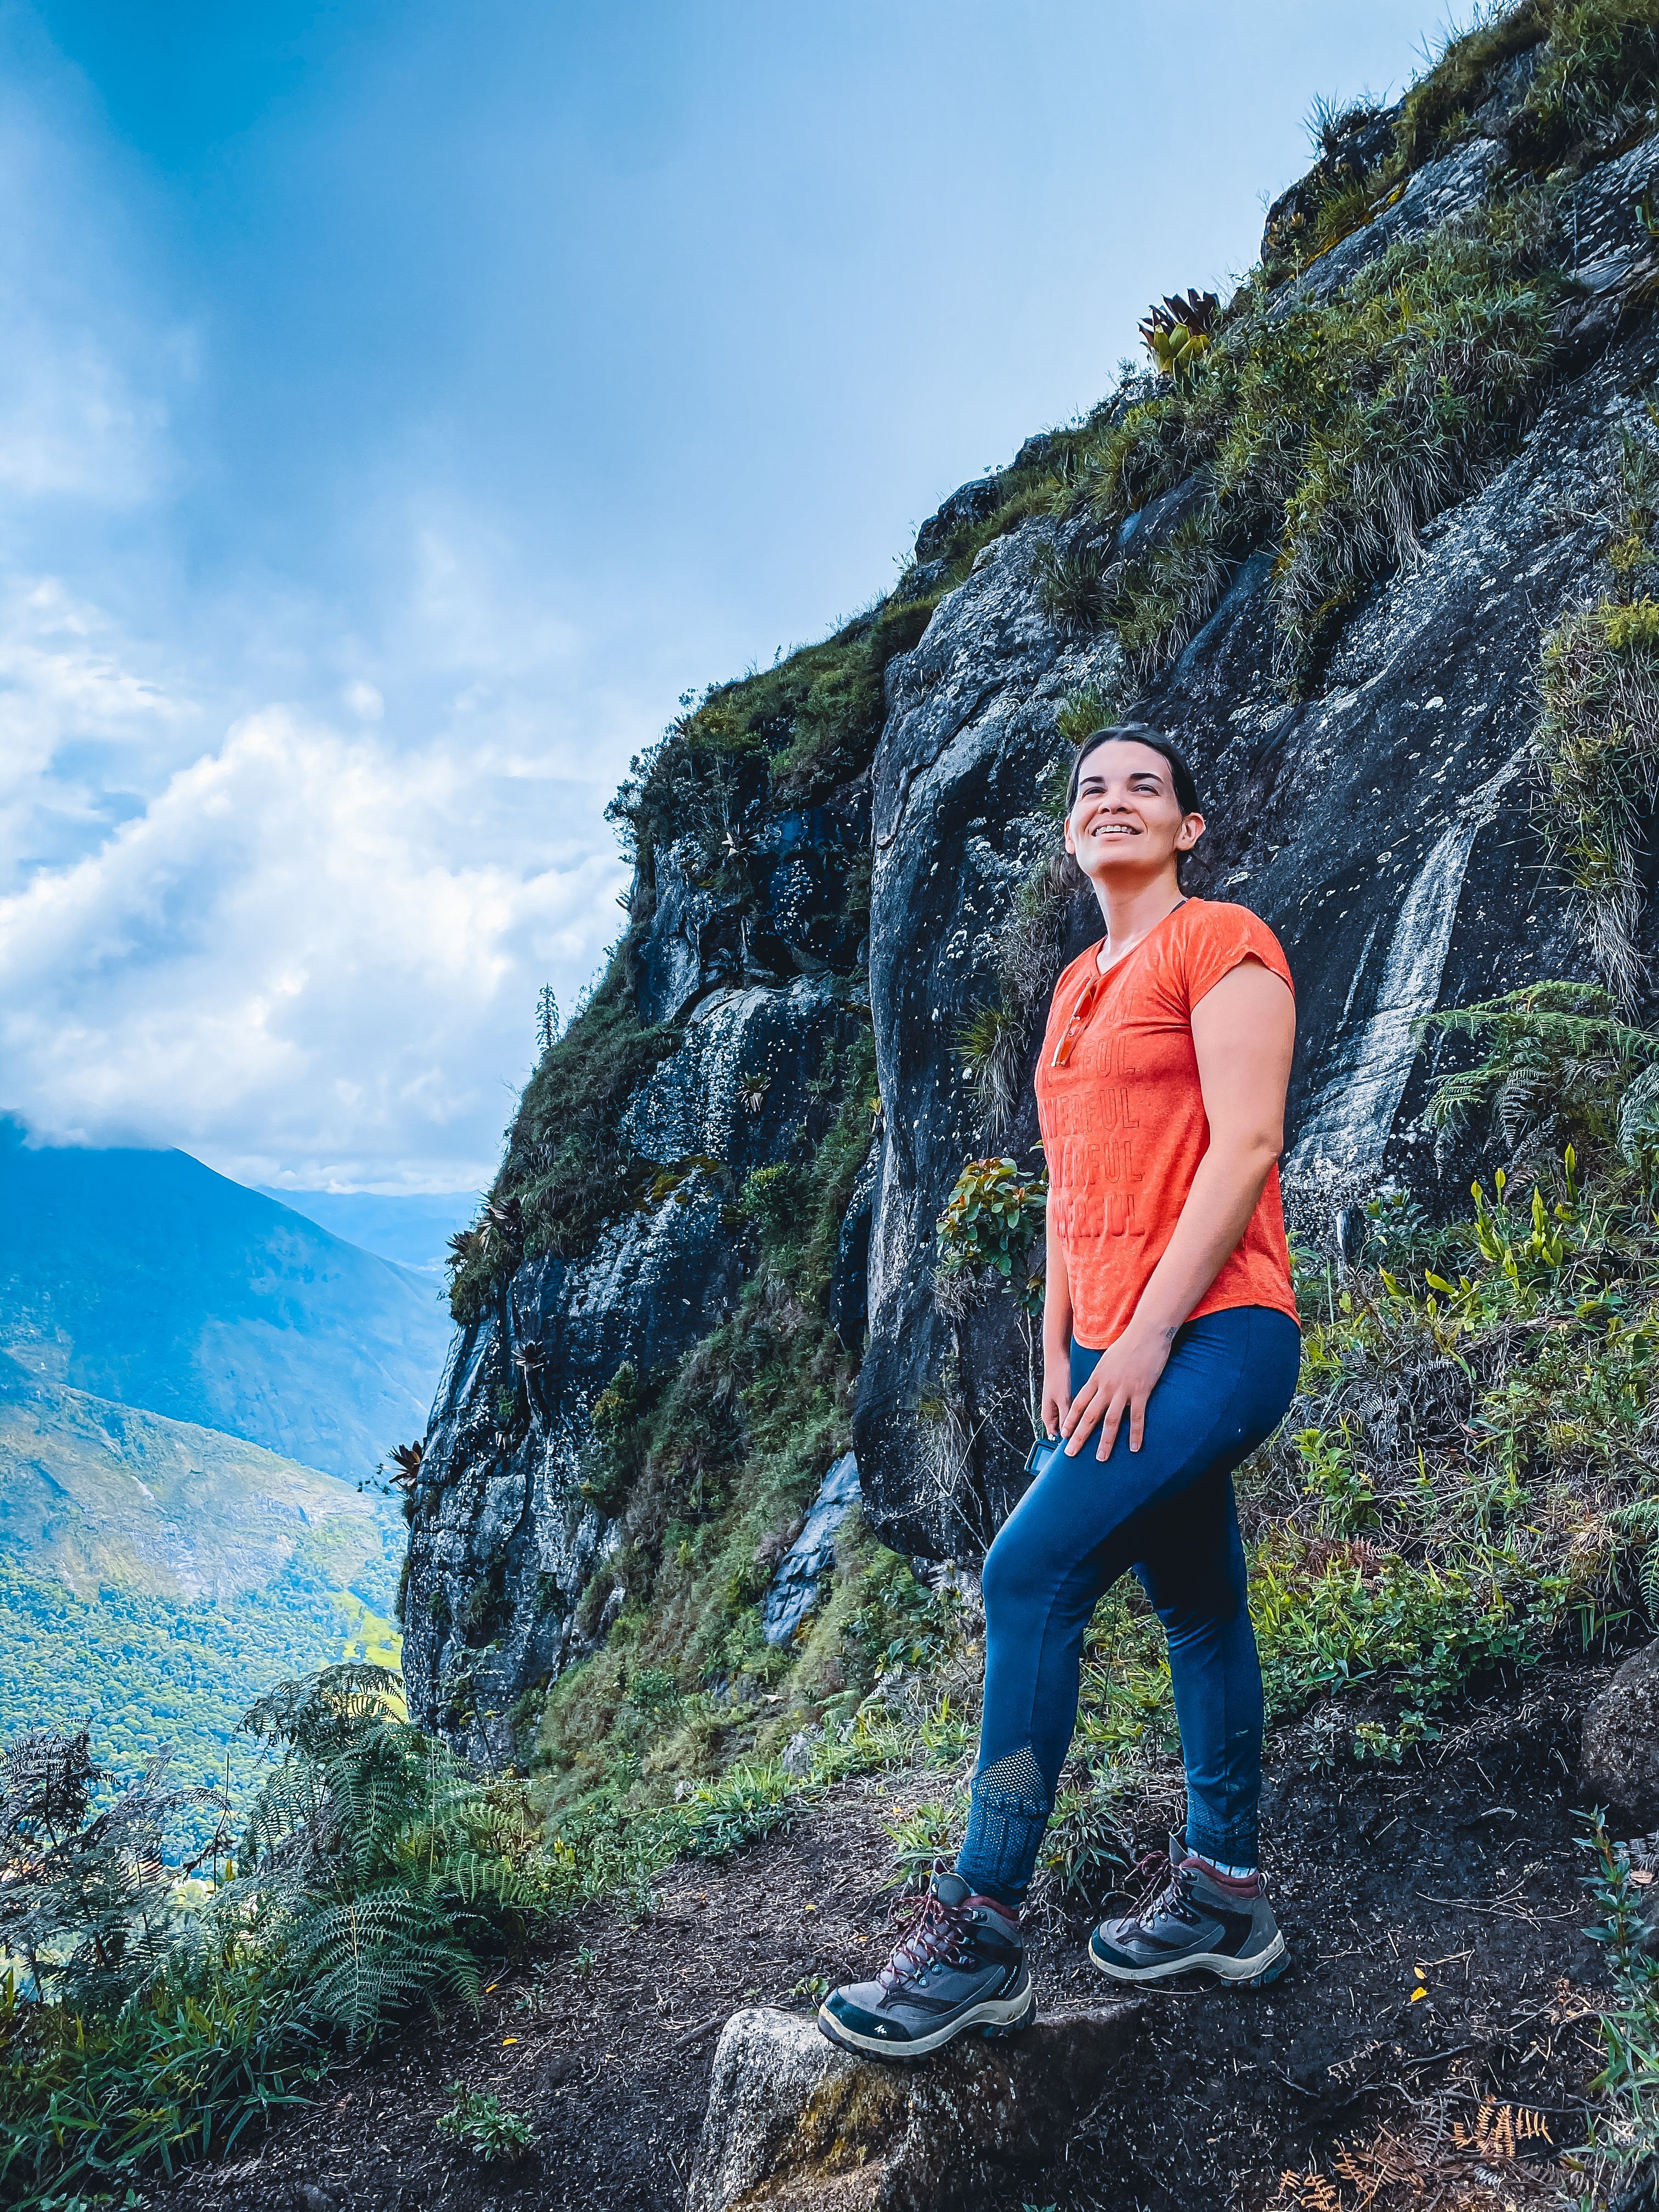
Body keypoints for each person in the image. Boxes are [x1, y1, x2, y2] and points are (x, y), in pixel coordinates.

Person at [820, 721, 1301, 2059]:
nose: (1117, 801)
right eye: (1094, 789)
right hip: (1113, 1346)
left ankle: (976, 1928)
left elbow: (1248, 1142)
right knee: (1197, 1604)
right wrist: (1061, 1349)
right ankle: (1225, 1893)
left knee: (1028, 1576)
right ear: (1070, 832)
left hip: (1216, 1335)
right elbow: (1070, 1195)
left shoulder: (1224, 942)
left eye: (1149, 784)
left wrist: (1141, 1338)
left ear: (1189, 828)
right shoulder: (1076, 985)